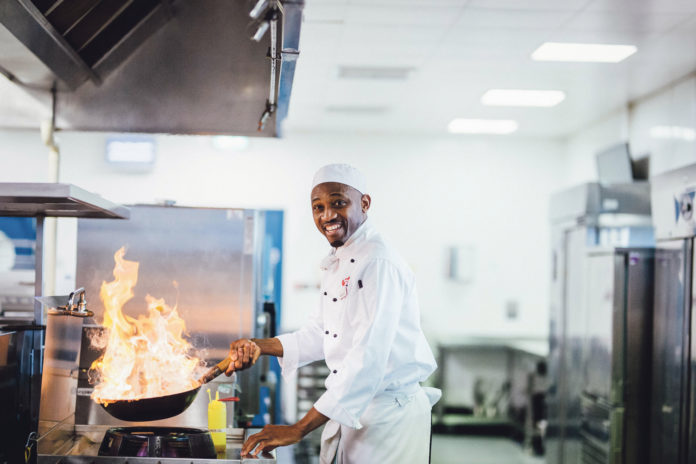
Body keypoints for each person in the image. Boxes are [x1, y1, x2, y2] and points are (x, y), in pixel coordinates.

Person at [225, 163, 440, 463]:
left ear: (364, 203)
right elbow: (319, 333)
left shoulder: (378, 263)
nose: (327, 215)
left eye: (339, 203)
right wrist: (260, 346)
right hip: (359, 413)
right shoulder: (338, 261)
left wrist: (299, 428)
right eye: (318, 207)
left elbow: (367, 359)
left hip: (390, 418)